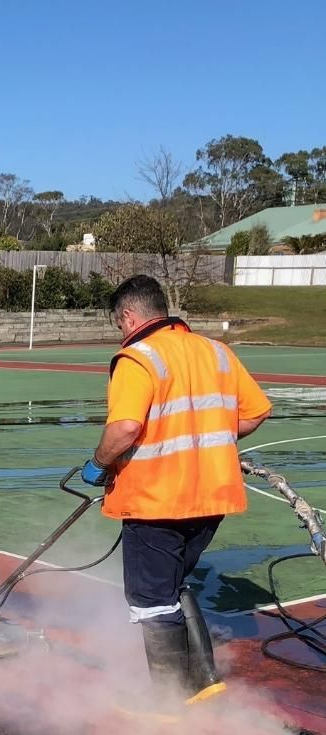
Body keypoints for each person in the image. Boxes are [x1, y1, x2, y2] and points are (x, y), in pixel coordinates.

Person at [80, 275, 272, 706]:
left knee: (150, 599)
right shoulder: (216, 351)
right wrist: (207, 436)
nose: (121, 332)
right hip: (212, 497)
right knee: (174, 583)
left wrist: (99, 463)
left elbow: (126, 427)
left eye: (118, 324)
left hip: (157, 500)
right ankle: (204, 682)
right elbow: (257, 412)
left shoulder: (139, 357)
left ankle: (168, 705)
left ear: (129, 316)